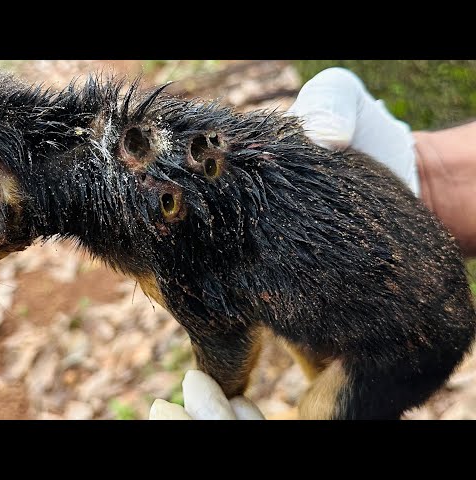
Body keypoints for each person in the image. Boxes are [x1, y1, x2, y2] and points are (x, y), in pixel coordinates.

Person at [149, 67, 476, 420]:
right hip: (377, 303)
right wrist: (417, 171)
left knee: (318, 407)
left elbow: (226, 335)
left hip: (400, 342)